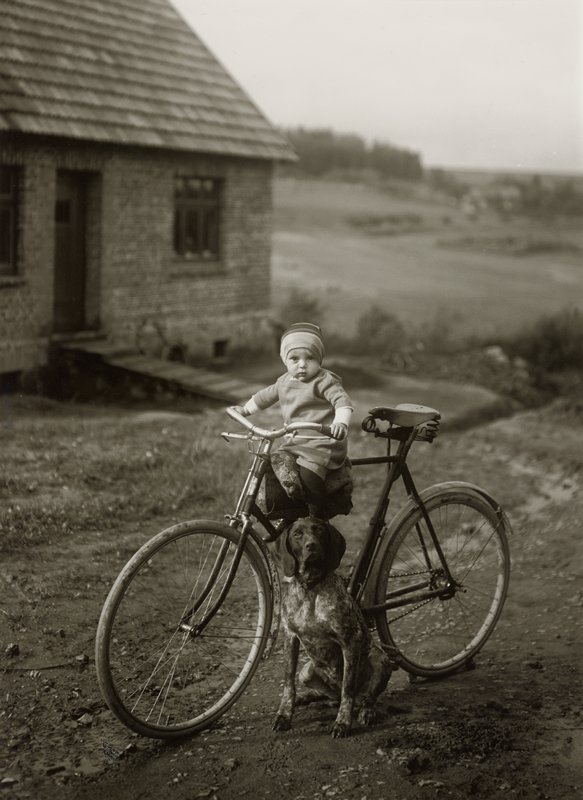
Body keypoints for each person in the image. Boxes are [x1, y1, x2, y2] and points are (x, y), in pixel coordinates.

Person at [234, 322, 353, 518]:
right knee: (276, 461)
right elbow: (264, 397)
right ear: (285, 360)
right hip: (296, 440)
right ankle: (291, 506)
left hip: (321, 442)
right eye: (294, 359)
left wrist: (340, 423)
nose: (302, 364)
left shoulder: (325, 381)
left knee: (309, 475)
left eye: (310, 358)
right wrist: (245, 410)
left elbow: (342, 402)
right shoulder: (284, 381)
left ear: (320, 359)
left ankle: (317, 515)